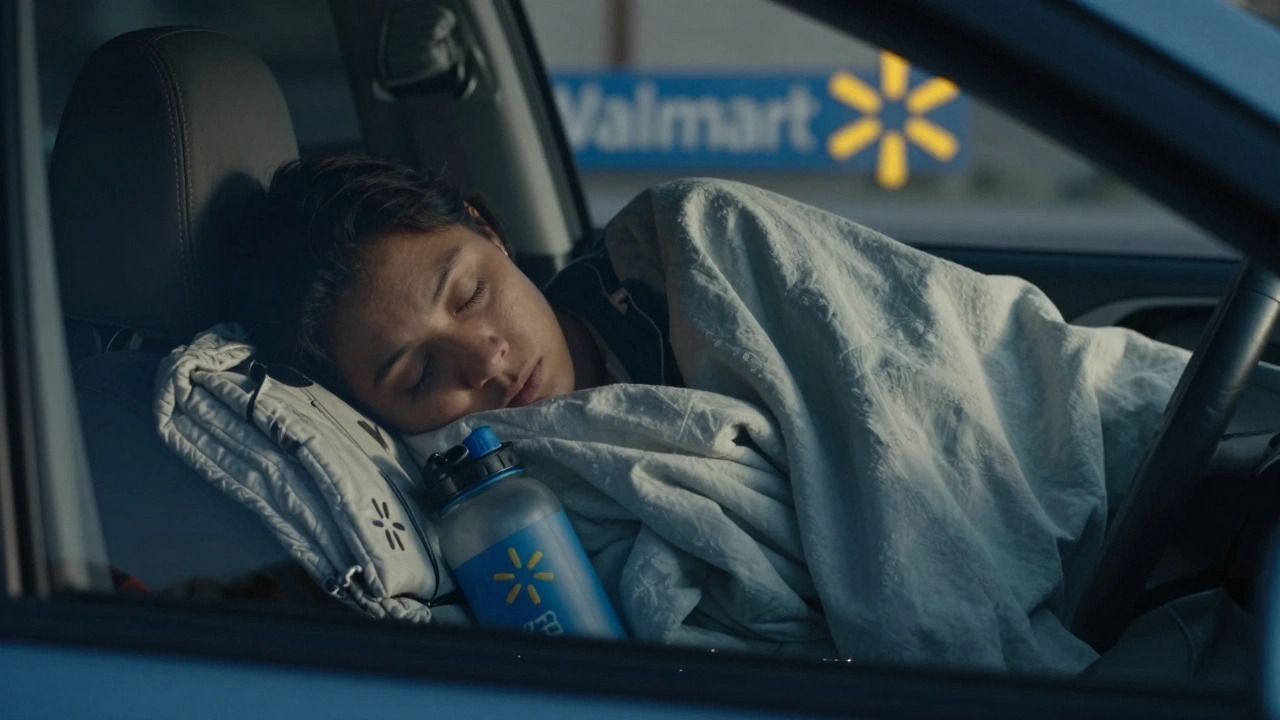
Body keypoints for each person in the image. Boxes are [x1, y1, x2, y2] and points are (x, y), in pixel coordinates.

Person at [237, 153, 679, 435]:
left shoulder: (673, 259)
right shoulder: (490, 530)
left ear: (486, 230)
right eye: (421, 374)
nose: (485, 361)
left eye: (470, 296)